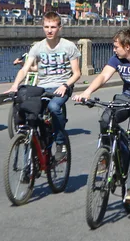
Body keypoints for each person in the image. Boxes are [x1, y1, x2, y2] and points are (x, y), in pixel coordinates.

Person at [73, 29, 130, 206]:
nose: (114, 50)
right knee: (106, 119)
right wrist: (87, 92)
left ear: (127, 47)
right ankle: (107, 156)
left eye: (116, 46)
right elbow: (104, 75)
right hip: (126, 98)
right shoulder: (117, 59)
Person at [4, 12, 81, 160]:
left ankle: (60, 143)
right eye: (46, 27)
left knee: (53, 107)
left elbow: (77, 73)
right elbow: (25, 69)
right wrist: (15, 85)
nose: (49, 30)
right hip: (43, 87)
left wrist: (65, 85)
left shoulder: (68, 46)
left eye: (53, 27)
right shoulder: (38, 47)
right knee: (26, 108)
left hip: (62, 85)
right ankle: (29, 150)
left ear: (60, 28)